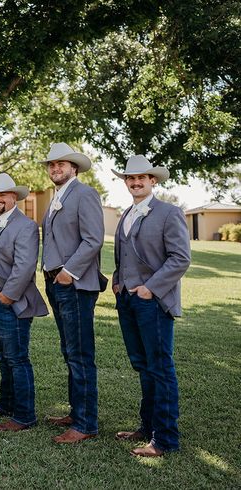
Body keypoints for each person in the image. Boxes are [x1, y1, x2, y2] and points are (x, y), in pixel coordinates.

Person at [111, 155, 191, 457]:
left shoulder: (169, 213)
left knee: (160, 368)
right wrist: (119, 281)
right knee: (143, 366)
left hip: (153, 301)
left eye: (141, 178)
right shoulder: (125, 214)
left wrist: (150, 289)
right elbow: (122, 256)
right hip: (128, 301)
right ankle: (147, 427)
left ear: (152, 180)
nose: (135, 182)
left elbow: (180, 258)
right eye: (130, 178)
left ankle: (166, 438)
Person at [40, 142, 106, 443]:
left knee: (80, 354)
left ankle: (85, 424)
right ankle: (75, 411)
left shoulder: (85, 194)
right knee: (69, 351)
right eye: (52, 165)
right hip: (56, 284)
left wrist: (68, 272)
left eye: (62, 164)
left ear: (73, 168)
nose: (56, 168)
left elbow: (93, 240)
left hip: (75, 285)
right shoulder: (56, 197)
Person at [0, 173, 48, 431]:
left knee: (17, 358)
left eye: (3, 194)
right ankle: (5, 404)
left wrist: (7, 296)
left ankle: (24, 416)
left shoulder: (26, 225)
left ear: (14, 197)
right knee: (3, 356)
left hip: (12, 303)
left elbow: (25, 265)